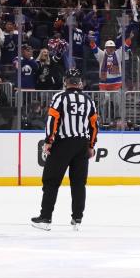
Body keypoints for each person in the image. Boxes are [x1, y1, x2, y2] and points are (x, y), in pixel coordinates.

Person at [32, 69, 98, 231]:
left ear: (65, 81)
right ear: (79, 82)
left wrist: (48, 141)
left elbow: (52, 120)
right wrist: (91, 145)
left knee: (51, 181)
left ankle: (45, 218)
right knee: (78, 183)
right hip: (82, 145)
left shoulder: (59, 97)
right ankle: (77, 218)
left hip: (63, 144)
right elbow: (94, 126)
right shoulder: (88, 100)